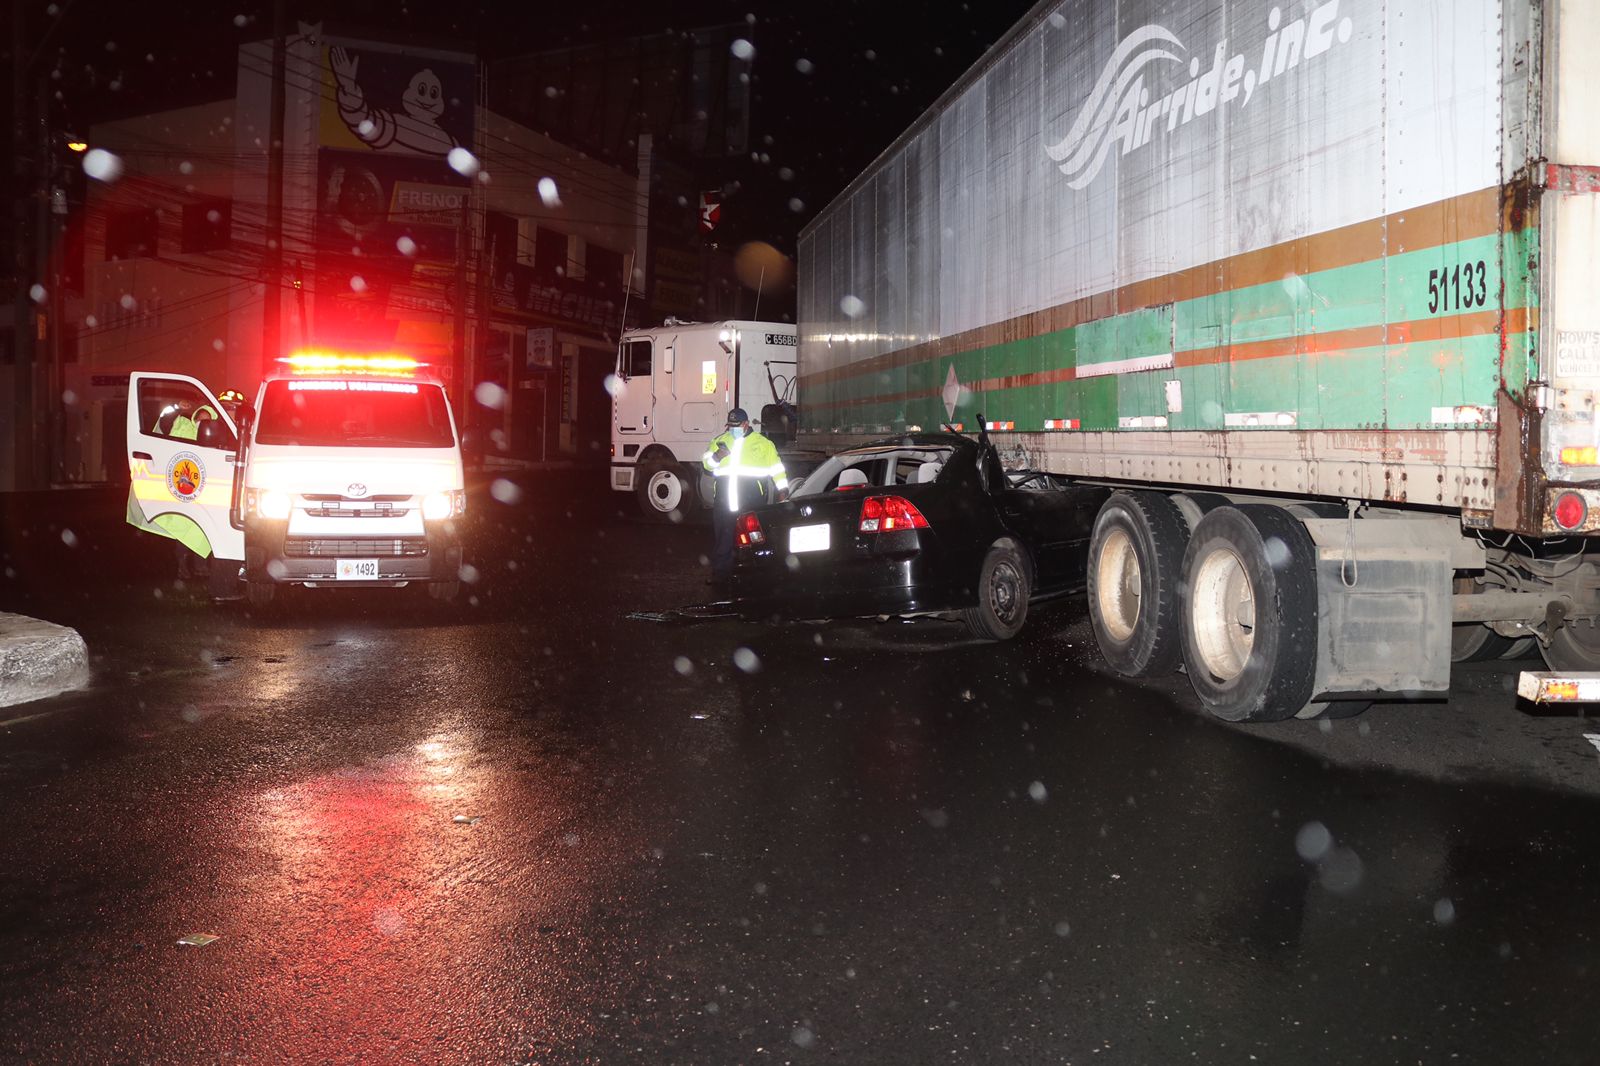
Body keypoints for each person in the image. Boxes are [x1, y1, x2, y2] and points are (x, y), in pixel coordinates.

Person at [702, 407, 788, 588]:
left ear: (746, 424)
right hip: (724, 501)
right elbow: (707, 465)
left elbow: (777, 469)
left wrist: (783, 490)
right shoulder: (719, 442)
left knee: (754, 538)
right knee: (723, 537)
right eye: (730, 425)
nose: (732, 429)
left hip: (751, 500)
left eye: (736, 425)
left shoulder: (762, 443)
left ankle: (756, 574)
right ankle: (721, 573)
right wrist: (717, 456)